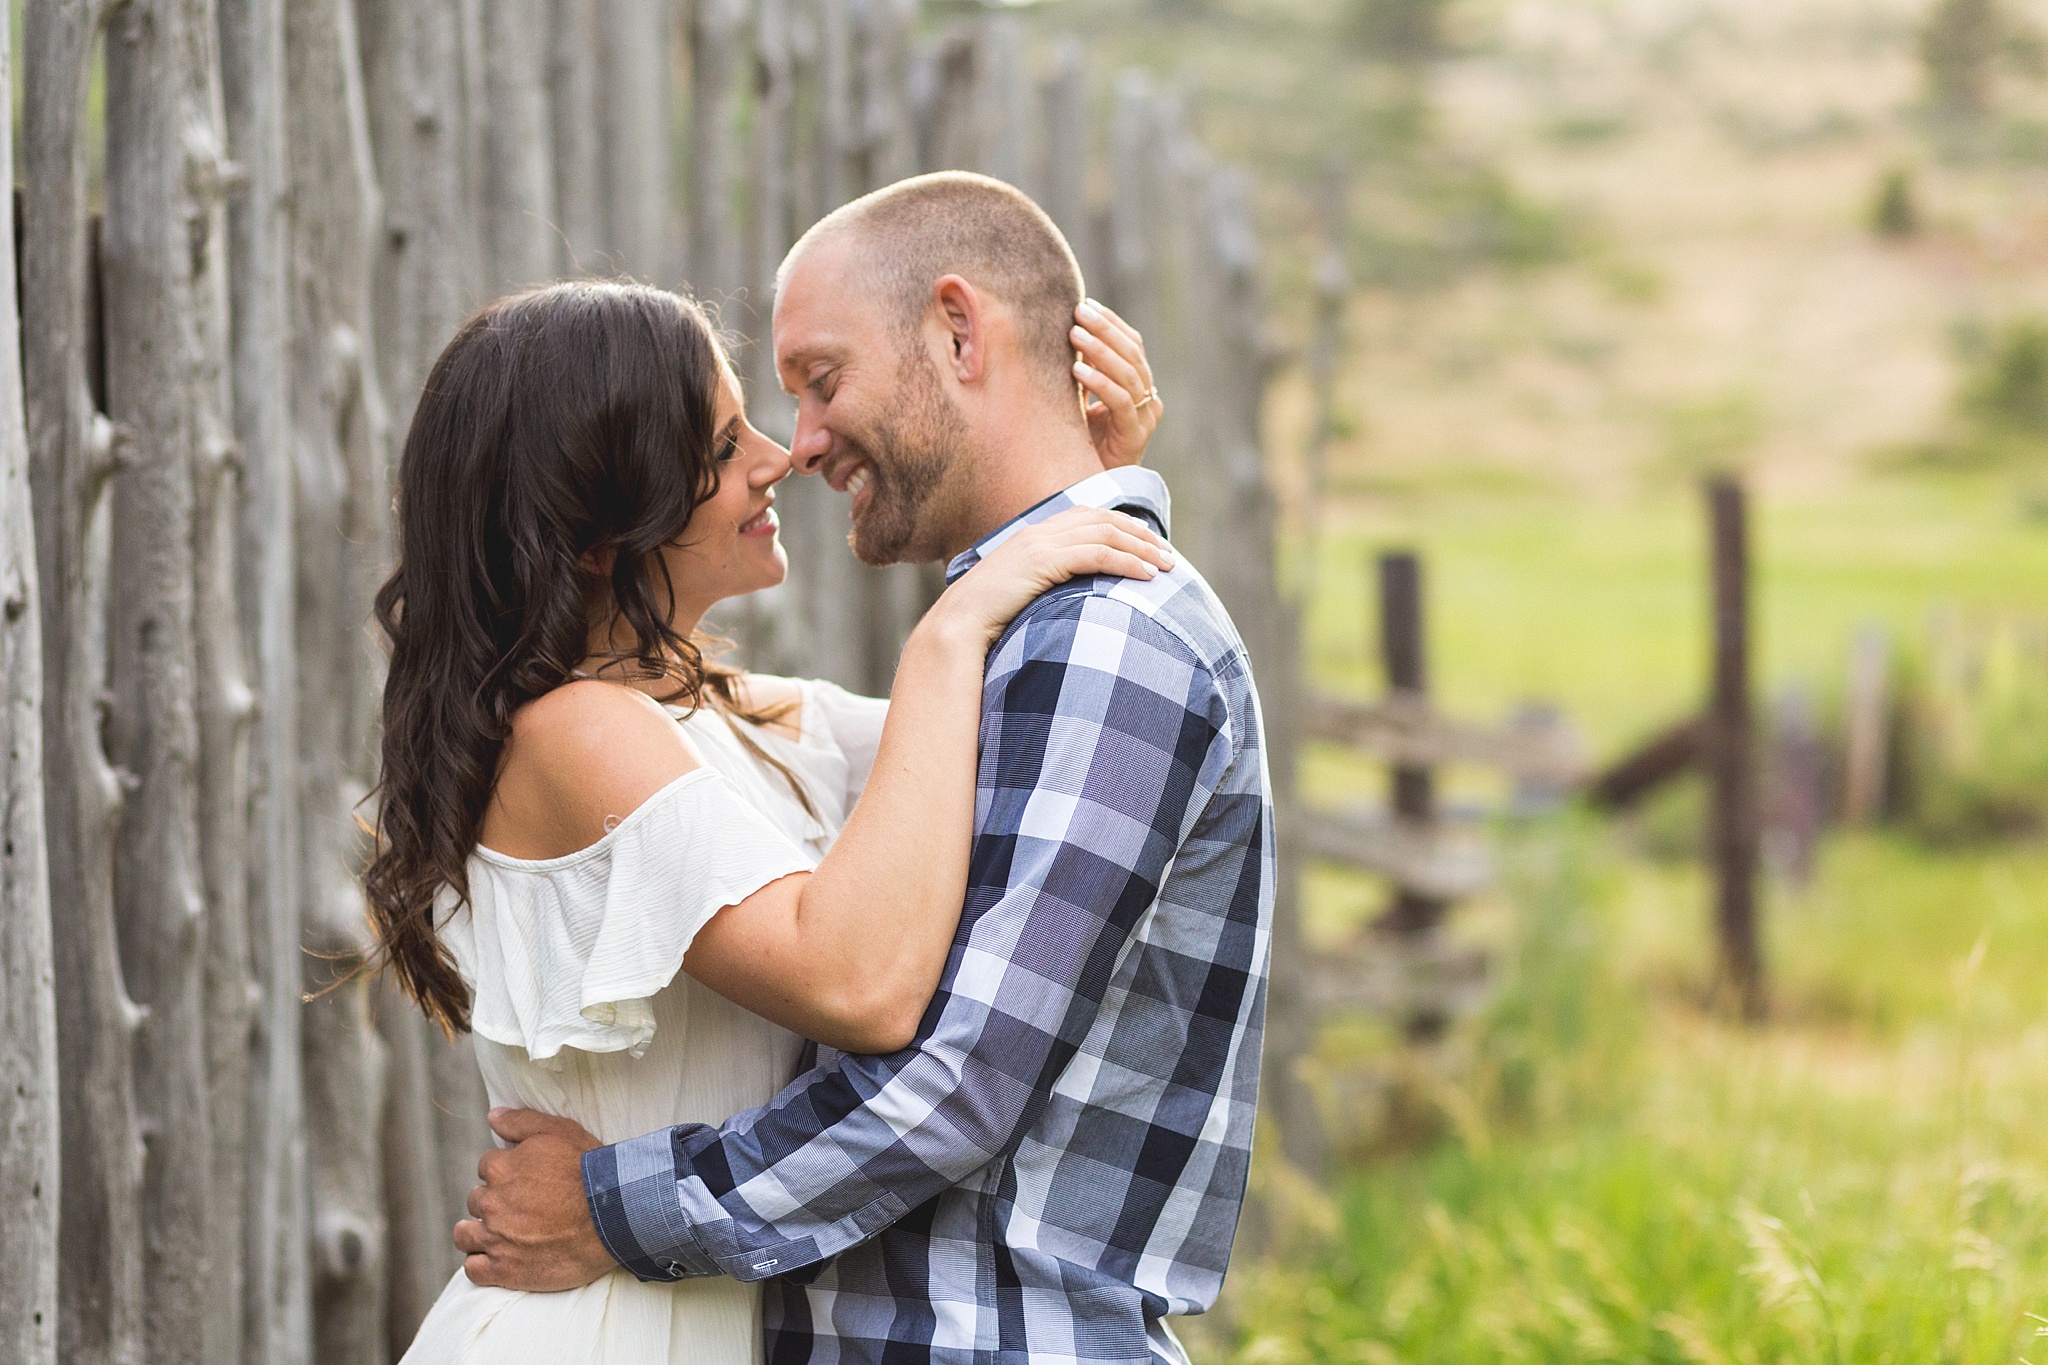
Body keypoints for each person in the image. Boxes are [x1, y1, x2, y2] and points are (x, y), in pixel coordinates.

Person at [457, 173, 1276, 1365]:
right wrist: (1052, 524)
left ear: (957, 329)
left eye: (819, 382)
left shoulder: (1097, 640)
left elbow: (949, 1085)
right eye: (740, 426)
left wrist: (610, 1206)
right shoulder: (1008, 650)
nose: (796, 449)